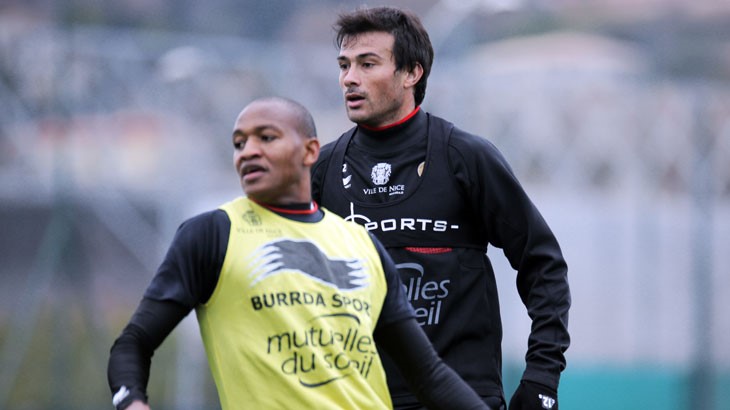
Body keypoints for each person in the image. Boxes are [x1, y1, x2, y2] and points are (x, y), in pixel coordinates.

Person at [107, 96, 491, 410]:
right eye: (239, 143)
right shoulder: (212, 234)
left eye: (266, 138)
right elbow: (133, 343)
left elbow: (429, 375)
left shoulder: (361, 243)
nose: (248, 151)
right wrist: (131, 402)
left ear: (309, 151)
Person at [311, 6, 571, 410]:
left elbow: (543, 265)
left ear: (411, 73)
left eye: (367, 64)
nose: (349, 78)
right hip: (355, 399)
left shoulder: (465, 157)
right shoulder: (323, 169)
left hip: (462, 396)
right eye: (344, 65)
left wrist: (542, 378)